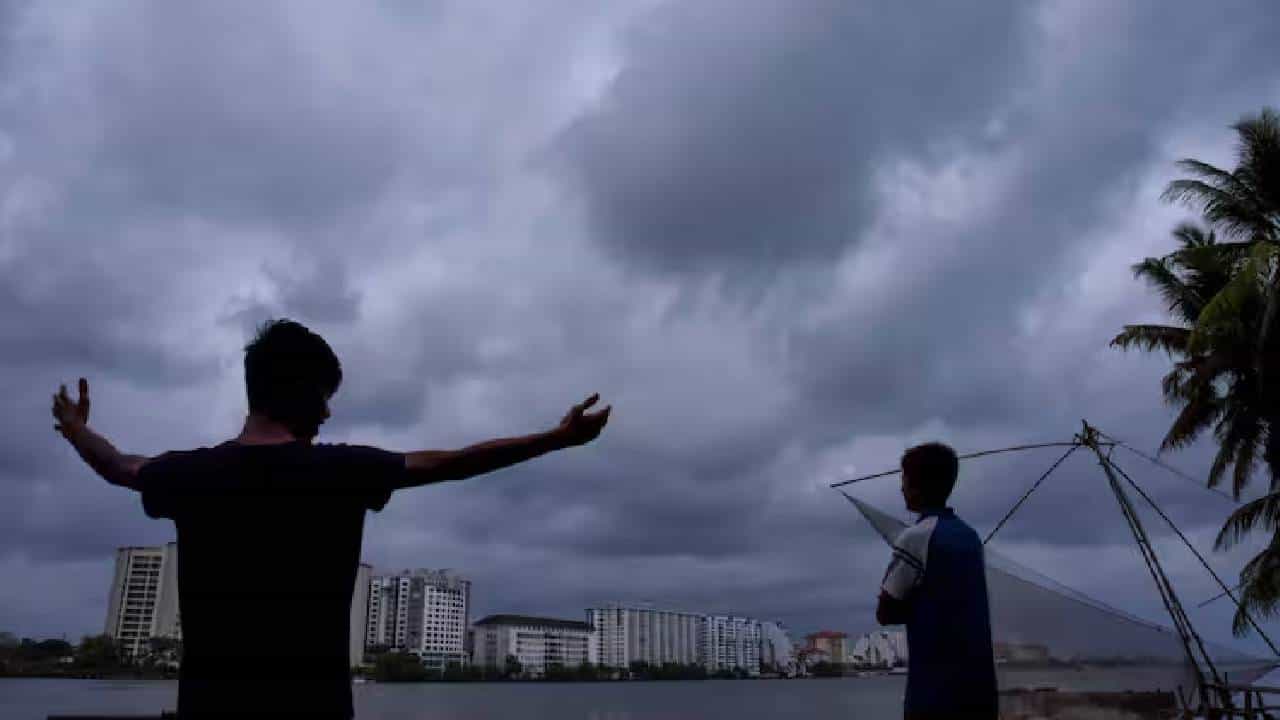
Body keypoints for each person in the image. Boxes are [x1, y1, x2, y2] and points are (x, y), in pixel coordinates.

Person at [51, 318, 611, 719]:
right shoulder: (341, 470)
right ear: (298, 393)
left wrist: (76, 430)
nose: (327, 410)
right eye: (323, 396)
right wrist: (557, 439)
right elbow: (455, 464)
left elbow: (119, 466)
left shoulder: (191, 475)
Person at [876, 442, 997, 720]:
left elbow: (885, 611)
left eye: (903, 479)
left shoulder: (916, 537)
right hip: (979, 694)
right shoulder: (970, 537)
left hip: (933, 696)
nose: (901, 487)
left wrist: (919, 606)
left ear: (917, 485)